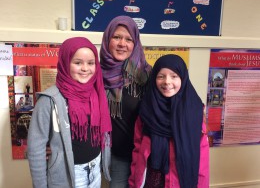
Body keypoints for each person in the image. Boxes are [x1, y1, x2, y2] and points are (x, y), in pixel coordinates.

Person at [27, 37, 112, 188]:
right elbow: (35, 149)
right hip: (67, 175)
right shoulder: (49, 100)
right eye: (78, 63)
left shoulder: (97, 92)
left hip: (95, 169)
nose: (85, 68)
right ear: (66, 63)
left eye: (91, 63)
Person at [129, 54, 209, 188]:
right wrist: (133, 183)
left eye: (174, 76)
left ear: (183, 78)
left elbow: (202, 157)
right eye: (161, 76)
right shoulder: (146, 110)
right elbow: (137, 150)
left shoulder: (195, 112)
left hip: (181, 182)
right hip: (151, 182)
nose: (167, 81)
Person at [100, 15, 152, 187]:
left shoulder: (147, 75)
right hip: (117, 157)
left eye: (128, 39)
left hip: (146, 155)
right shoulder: (95, 75)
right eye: (116, 37)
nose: (122, 43)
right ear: (107, 39)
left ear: (135, 43)